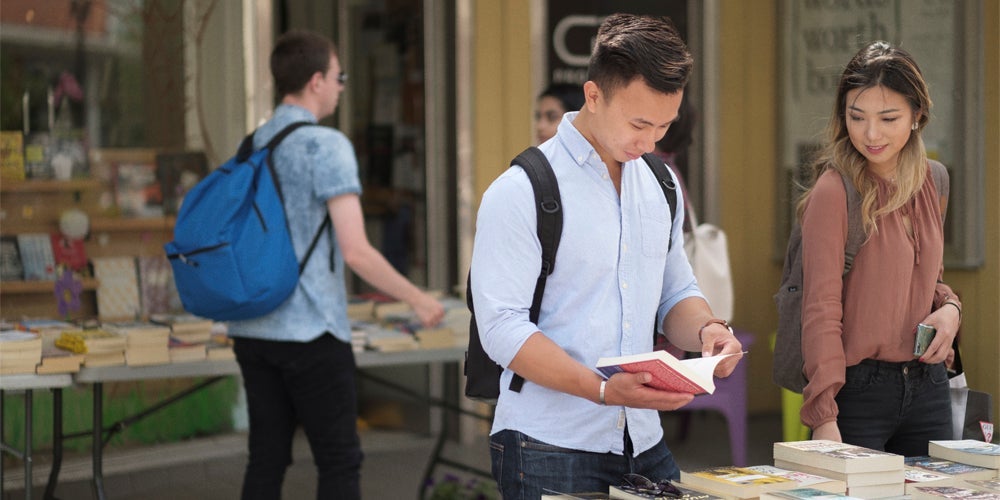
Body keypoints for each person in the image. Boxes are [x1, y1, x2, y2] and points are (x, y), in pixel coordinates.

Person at [470, 13, 743, 497]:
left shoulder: (660, 184)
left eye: (664, 125)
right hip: (547, 446)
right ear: (593, 96)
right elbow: (501, 329)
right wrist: (600, 389)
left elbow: (676, 291)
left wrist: (707, 331)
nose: (651, 141)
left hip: (644, 440)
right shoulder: (520, 191)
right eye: (639, 123)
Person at [226, 30, 444, 499]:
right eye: (339, 76)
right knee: (340, 460)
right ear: (317, 80)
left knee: (265, 459)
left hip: (253, 328)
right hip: (311, 331)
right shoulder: (325, 147)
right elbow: (356, 251)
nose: (343, 86)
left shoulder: (253, 143)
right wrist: (419, 298)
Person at [798, 41, 961, 456]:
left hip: (929, 386)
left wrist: (950, 309)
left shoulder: (934, 181)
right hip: (857, 393)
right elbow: (820, 306)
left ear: (917, 116)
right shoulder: (835, 191)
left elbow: (929, 278)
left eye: (888, 118)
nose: (871, 134)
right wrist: (824, 416)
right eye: (857, 117)